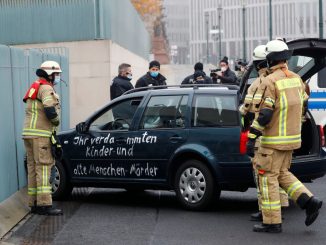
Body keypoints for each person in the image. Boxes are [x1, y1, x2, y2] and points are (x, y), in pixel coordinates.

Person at [246, 40, 322, 233]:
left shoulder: (270, 81)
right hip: (292, 139)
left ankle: (272, 223)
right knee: (282, 174)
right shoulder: (296, 79)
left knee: (267, 177)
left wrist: (252, 136)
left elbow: (265, 114)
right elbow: (303, 104)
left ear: (270, 59)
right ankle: (309, 202)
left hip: (272, 141)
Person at [239, 45, 289, 223]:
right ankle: (281, 207)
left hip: (262, 136)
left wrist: (250, 134)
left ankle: (266, 212)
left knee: (263, 177)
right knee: (280, 174)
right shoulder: (286, 79)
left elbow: (248, 110)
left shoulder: (259, 83)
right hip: (284, 137)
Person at [22, 61, 64, 216]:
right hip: (40, 135)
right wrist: (56, 122)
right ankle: (45, 205)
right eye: (57, 74)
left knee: (33, 169)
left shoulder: (35, 86)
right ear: (50, 74)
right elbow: (50, 109)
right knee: (44, 168)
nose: (58, 77)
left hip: (29, 134)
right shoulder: (46, 88)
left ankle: (33, 203)